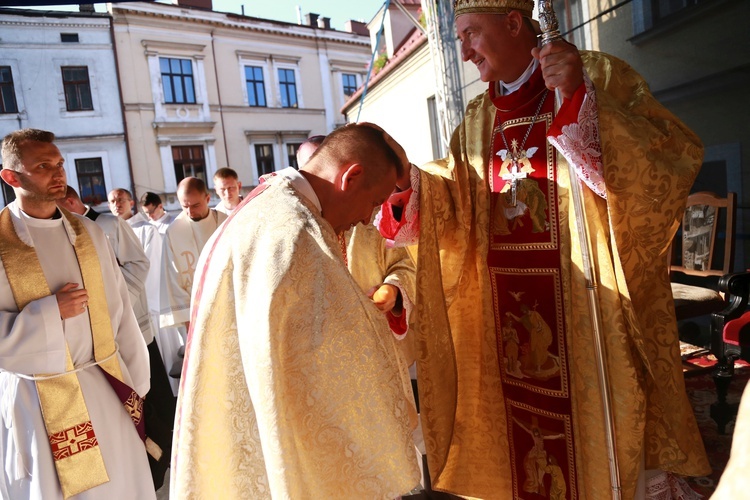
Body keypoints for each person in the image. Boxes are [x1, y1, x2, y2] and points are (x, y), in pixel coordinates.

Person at [376, 1, 710, 498]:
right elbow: (459, 196)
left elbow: (664, 163)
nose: (464, 52)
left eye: (469, 34)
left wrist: (577, 99)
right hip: (506, 314)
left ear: (514, 23)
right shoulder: (476, 117)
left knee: (603, 443)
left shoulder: (594, 73)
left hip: (587, 312)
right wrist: (410, 183)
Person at [171, 123, 421, 498]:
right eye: (373, 203)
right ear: (351, 177)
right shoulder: (297, 234)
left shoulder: (271, 204)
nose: (369, 219)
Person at [0, 128, 153, 498]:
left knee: (120, 485)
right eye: (43, 166)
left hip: (103, 383)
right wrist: (50, 312)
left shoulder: (87, 232)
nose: (58, 174)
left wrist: (136, 382)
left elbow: (119, 310)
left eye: (59, 164)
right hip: (40, 398)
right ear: (11, 176)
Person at [159, 177, 227, 376]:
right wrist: (190, 326)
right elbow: (172, 280)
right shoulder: (174, 232)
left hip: (228, 307)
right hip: (195, 317)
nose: (190, 212)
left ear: (208, 198)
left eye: (195, 205)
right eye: (184, 206)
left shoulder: (225, 223)